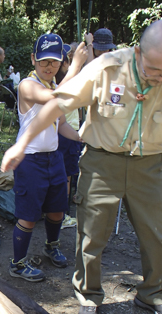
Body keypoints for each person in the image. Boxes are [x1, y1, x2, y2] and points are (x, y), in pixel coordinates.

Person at [1, 19, 162, 314]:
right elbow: (58, 105)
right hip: (101, 161)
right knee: (91, 235)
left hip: (149, 165)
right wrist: (21, 144)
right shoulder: (107, 68)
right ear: (138, 52)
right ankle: (89, 299)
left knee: (156, 234)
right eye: (154, 70)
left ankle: (152, 295)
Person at [8, 33, 82, 282]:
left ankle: (52, 245)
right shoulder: (27, 86)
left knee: (57, 210)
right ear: (33, 60)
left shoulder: (53, 85)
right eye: (44, 61)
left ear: (61, 61)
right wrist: (78, 67)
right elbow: (54, 100)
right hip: (30, 160)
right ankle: (17, 264)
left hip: (54, 157)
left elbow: (60, 124)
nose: (50, 67)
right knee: (28, 216)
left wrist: (82, 136)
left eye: (54, 61)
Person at [56, 43, 89, 229]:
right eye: (69, 58)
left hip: (65, 132)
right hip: (67, 133)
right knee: (66, 177)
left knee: (63, 176)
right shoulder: (67, 81)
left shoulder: (56, 79)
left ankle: (58, 212)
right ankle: (63, 215)